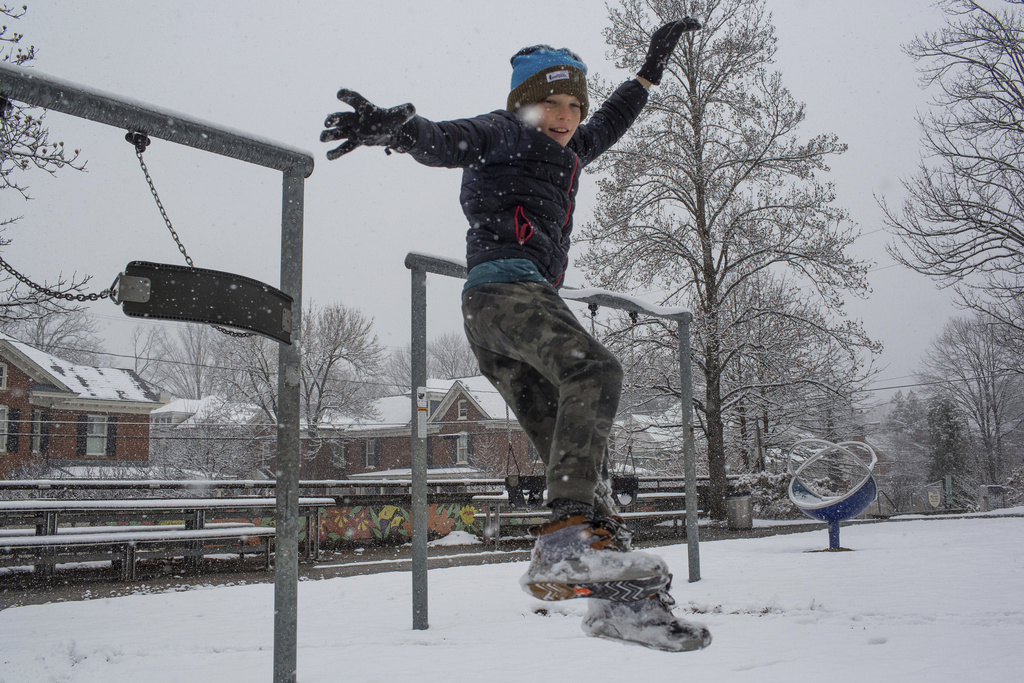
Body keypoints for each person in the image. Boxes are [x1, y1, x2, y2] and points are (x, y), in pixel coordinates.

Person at [322, 18, 710, 651]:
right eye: (549, 103)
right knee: (597, 370)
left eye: (571, 106)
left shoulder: (574, 148)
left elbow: (614, 119)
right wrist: (397, 131)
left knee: (577, 447)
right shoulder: (502, 131)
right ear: (524, 103)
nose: (562, 117)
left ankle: (622, 603)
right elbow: (448, 139)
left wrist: (649, 70)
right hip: (504, 294)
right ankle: (565, 542)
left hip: (505, 316)